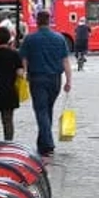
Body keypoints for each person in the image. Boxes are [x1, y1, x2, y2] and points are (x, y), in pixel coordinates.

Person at [17, 10, 71, 158]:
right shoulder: (59, 38)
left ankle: (47, 144)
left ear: (38, 21)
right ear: (49, 20)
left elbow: (24, 59)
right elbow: (65, 61)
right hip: (55, 80)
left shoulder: (30, 39)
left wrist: (25, 73)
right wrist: (68, 81)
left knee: (41, 111)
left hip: (37, 78)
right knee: (48, 110)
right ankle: (43, 145)